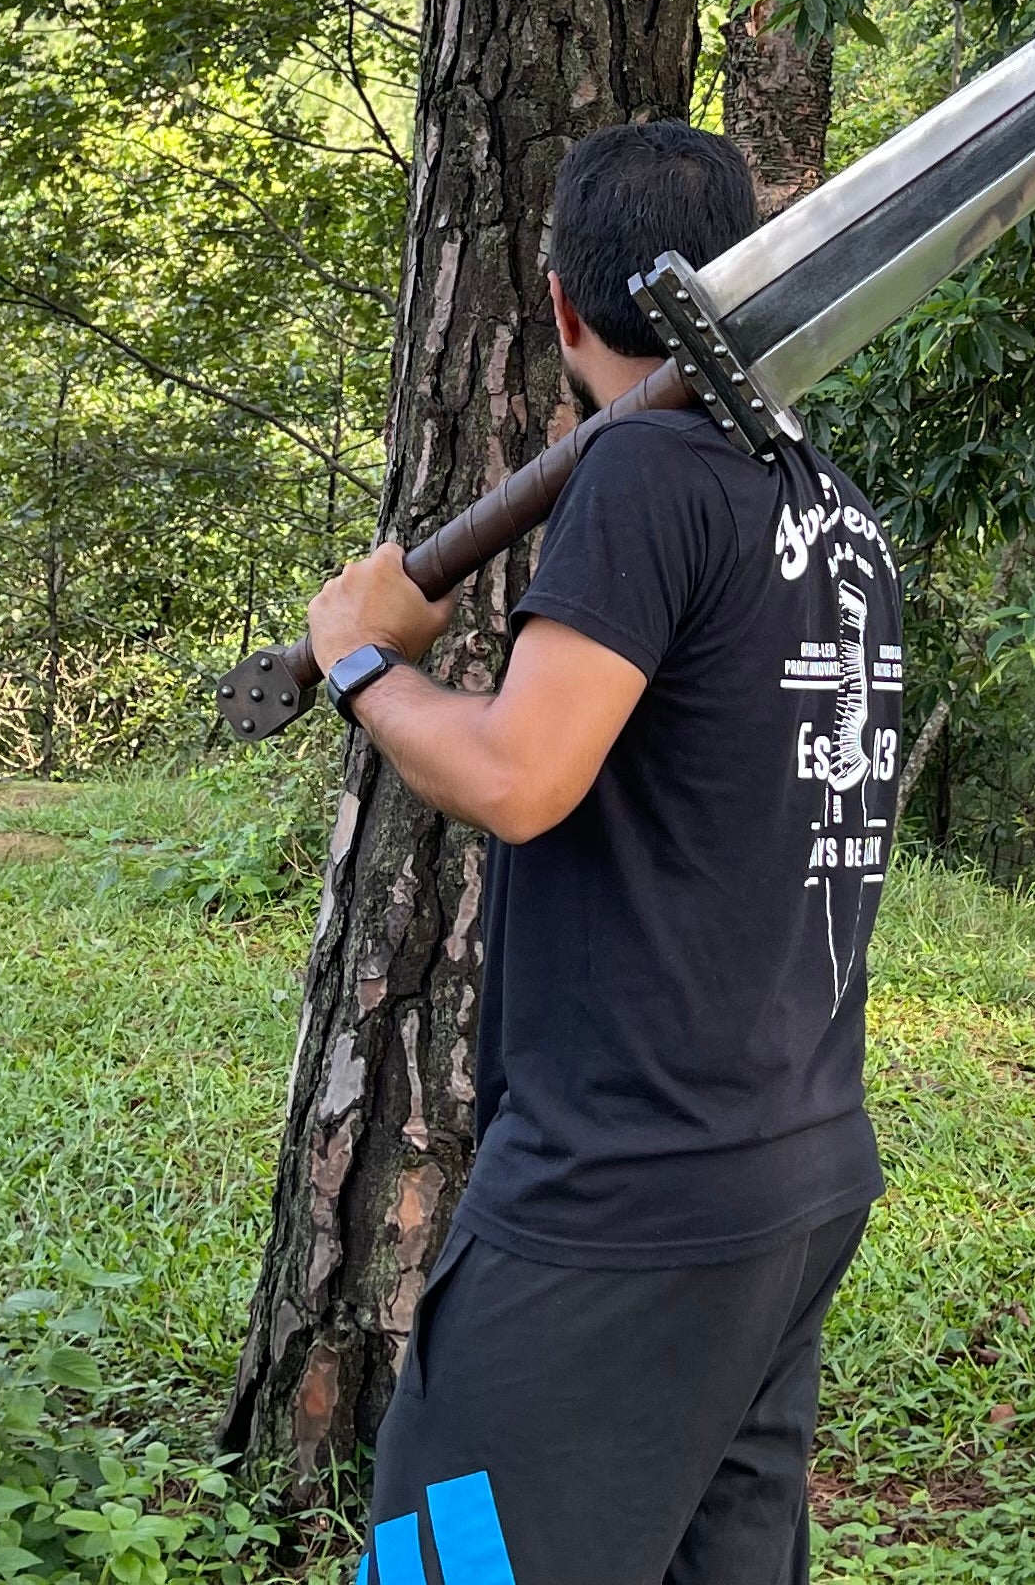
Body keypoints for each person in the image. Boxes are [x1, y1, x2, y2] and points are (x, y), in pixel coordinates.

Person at [307, 119, 907, 1585]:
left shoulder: (643, 472)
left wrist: (359, 666)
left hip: (624, 1193)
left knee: (445, 1559)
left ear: (561, 303)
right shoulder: (829, 510)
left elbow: (521, 777)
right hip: (793, 1172)